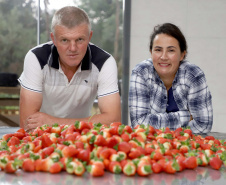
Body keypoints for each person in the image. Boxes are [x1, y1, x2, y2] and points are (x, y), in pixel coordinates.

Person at [18, 6, 121, 131]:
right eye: (65, 40)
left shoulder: (104, 62)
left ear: (89, 37)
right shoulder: (36, 58)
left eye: (79, 39)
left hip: (82, 138)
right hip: (42, 138)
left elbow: (113, 120)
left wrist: (53, 122)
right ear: (54, 39)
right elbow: (27, 124)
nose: (73, 48)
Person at [129, 23, 213, 134]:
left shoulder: (193, 75)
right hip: (149, 146)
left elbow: (203, 124)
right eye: (158, 50)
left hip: (186, 146)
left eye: (171, 50)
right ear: (151, 52)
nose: (163, 57)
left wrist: (153, 122)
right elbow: (138, 124)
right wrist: (186, 116)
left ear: (182, 55)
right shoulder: (141, 72)